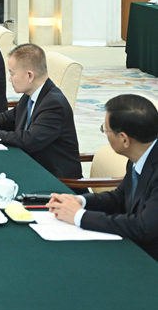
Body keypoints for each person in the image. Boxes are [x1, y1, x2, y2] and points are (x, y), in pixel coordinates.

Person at [48, 94, 158, 260]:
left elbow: (143, 227)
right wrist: (81, 201)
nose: (105, 134)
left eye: (105, 130)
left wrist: (79, 216)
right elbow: (119, 197)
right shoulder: (140, 155)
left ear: (124, 139)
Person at [0, 43, 81, 178]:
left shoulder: (54, 104)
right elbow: (8, 118)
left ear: (29, 76)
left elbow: (28, 140)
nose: (9, 79)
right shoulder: (32, 93)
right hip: (33, 167)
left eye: (12, 73)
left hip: (56, 181)